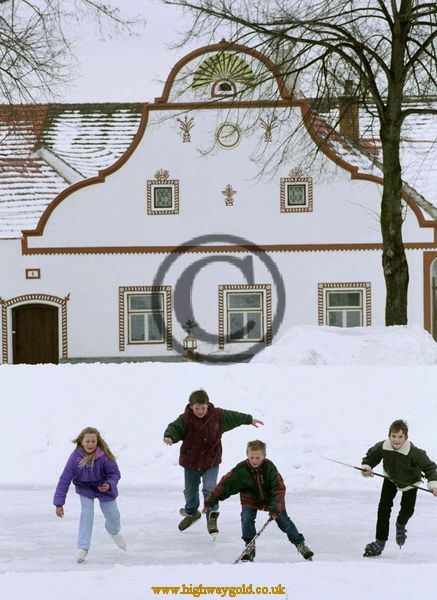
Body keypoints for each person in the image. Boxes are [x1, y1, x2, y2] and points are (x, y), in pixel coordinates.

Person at [163, 389, 264, 535]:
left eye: (203, 408)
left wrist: (248, 419)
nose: (200, 411)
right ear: (191, 406)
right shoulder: (185, 418)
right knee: (190, 491)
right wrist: (170, 436)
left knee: (209, 489)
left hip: (211, 461)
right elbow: (175, 427)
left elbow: (234, 417)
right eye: (197, 408)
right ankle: (192, 513)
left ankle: (212, 515)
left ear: (207, 405)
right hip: (191, 462)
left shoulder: (217, 416)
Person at [203, 439, 314, 561]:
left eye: (258, 457)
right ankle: (249, 547)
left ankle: (300, 544)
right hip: (250, 498)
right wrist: (210, 501)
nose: (254, 460)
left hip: (270, 498)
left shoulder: (269, 468)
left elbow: (279, 489)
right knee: (246, 519)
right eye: (252, 457)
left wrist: (276, 507)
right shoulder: (241, 470)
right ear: (247, 454)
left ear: (264, 456)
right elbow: (225, 485)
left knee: (284, 521)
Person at [361, 419, 437, 557]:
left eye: (400, 436)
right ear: (389, 435)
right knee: (383, 508)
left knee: (407, 510)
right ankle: (380, 541)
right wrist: (367, 467)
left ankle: (400, 524)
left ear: (406, 437)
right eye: (393, 436)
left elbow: (430, 467)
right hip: (390, 478)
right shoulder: (383, 446)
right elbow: (371, 456)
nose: (396, 440)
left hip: (410, 482)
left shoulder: (414, 452)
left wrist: (433, 484)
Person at [53, 426, 127, 563]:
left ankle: (113, 531)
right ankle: (83, 547)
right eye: (87, 441)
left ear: (97, 442)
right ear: (81, 442)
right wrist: (59, 503)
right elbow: (64, 479)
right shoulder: (75, 458)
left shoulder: (104, 455)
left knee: (114, 516)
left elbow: (115, 473)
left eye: (93, 441)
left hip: (104, 487)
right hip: (85, 488)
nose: (90, 444)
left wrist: (109, 484)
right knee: (87, 514)